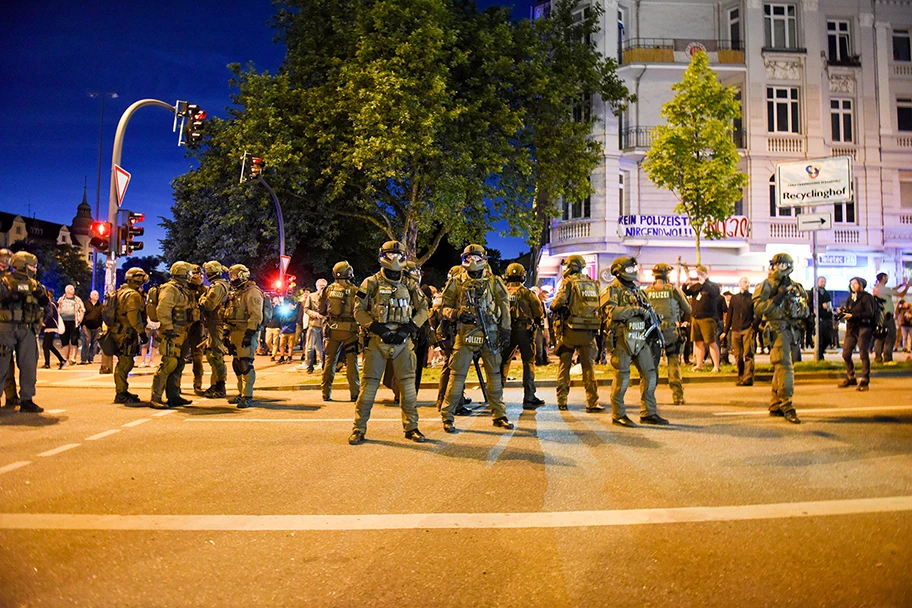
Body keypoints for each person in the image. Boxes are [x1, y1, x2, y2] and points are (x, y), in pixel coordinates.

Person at [349, 241, 429, 444]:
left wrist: (408, 329)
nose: (394, 259)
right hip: (377, 340)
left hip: (403, 340)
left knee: (408, 389)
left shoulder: (410, 283)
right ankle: (358, 429)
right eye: (390, 255)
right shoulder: (371, 282)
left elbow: (423, 309)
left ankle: (412, 428)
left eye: (398, 255)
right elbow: (358, 310)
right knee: (368, 389)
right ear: (382, 256)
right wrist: (378, 328)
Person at [439, 244, 514, 433]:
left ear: (484, 259)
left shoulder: (494, 281)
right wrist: (456, 314)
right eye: (469, 258)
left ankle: (499, 415)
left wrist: (505, 330)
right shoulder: (456, 282)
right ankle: (447, 416)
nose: (473, 262)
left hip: (490, 332)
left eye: (476, 258)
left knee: (494, 377)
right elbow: (443, 308)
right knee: (456, 377)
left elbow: (504, 307)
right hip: (465, 333)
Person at [601, 256, 667, 427]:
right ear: (618, 271)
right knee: (622, 377)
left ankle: (649, 412)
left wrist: (654, 318)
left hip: (640, 337)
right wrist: (635, 310)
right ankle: (618, 414)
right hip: (622, 338)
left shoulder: (638, 291)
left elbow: (647, 311)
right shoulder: (612, 290)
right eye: (629, 270)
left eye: (633, 269)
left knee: (650, 373)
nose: (633, 272)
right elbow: (612, 312)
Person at [752, 253, 808, 424]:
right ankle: (787, 404)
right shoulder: (766, 285)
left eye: (783, 265)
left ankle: (776, 403)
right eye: (778, 265)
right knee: (785, 367)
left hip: (793, 330)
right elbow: (758, 308)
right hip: (777, 329)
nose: (780, 268)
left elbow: (804, 309)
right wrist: (777, 299)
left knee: (782, 367)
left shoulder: (795, 286)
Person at [551, 255, 605, 413]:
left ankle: (562, 401)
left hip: (570, 330)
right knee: (589, 368)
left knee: (564, 366)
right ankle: (592, 402)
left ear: (570, 267)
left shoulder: (568, 282)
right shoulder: (593, 283)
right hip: (589, 331)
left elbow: (556, 304)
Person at [0, 251, 50, 413]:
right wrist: (9, 296)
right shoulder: (4, 282)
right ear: (21, 266)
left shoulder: (35, 285)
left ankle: (27, 399)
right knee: (1, 365)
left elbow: (47, 307)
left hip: (27, 328)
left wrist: (41, 298)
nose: (34, 269)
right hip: (5, 327)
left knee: (29, 365)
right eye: (31, 266)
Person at [150, 262, 196, 409]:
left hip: (183, 332)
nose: (191, 276)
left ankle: (174, 396)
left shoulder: (183, 289)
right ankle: (156, 397)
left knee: (179, 364)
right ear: (183, 273)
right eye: (189, 273)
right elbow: (163, 309)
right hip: (173, 331)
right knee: (168, 364)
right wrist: (168, 327)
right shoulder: (170, 288)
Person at [645, 263, 692, 404]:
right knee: (673, 362)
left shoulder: (647, 291)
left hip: (653, 331)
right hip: (671, 331)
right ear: (667, 276)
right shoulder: (673, 290)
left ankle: (649, 397)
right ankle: (678, 396)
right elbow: (688, 309)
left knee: (652, 365)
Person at [501, 262, 545, 409]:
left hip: (506, 332)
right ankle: (529, 396)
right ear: (523, 276)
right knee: (528, 364)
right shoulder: (528, 293)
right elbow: (539, 313)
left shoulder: (502, 292)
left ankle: (495, 396)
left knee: (502, 363)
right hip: (525, 332)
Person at [318, 261, 360, 402]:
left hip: (332, 330)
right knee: (351, 363)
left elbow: (322, 310)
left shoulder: (328, 290)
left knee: (329, 362)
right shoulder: (354, 290)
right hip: (350, 332)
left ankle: (326, 393)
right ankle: (355, 394)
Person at [224, 264, 264, 408]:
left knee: (245, 364)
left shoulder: (252, 292)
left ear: (242, 275)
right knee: (236, 364)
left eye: (234, 276)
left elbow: (256, 314)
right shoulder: (237, 292)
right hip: (234, 332)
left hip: (246, 331)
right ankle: (241, 393)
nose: (232, 279)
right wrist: (226, 331)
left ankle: (248, 395)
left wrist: (250, 333)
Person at [433, 265, 472, 415]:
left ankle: (451, 399)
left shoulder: (447, 292)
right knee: (453, 369)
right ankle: (454, 404)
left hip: (447, 334)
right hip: (449, 334)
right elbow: (444, 313)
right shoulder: (450, 293)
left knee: (451, 368)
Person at [111, 268, 149, 404]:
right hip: (127, 332)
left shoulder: (120, 291)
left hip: (119, 331)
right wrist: (141, 332)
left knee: (124, 361)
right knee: (125, 362)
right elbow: (133, 316)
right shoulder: (132, 295)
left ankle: (122, 391)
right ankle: (121, 393)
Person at [837, 277, 876, 391]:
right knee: (846, 353)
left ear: (861, 285)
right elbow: (850, 310)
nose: (852, 285)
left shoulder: (867, 297)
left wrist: (853, 315)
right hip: (852, 328)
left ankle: (865, 380)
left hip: (864, 327)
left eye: (855, 283)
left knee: (863, 353)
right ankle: (851, 376)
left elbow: (869, 313)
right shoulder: (851, 297)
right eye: (851, 284)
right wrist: (843, 311)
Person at [682, 265, 723, 372]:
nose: (698, 276)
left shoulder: (713, 285)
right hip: (696, 317)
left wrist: (704, 283)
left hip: (708, 318)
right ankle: (699, 365)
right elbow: (686, 293)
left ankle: (716, 366)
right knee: (698, 342)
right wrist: (685, 285)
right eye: (697, 274)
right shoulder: (696, 286)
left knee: (711, 342)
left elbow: (715, 294)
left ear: (706, 274)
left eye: (701, 274)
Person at [199, 261, 230, 398]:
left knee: (216, 356)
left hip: (217, 323)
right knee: (213, 355)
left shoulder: (217, 286)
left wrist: (201, 298)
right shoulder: (220, 284)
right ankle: (215, 385)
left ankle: (220, 386)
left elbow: (208, 305)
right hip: (215, 323)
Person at [721, 277, 755, 386]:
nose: (747, 284)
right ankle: (741, 376)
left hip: (747, 329)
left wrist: (753, 325)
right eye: (745, 282)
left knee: (748, 353)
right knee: (738, 355)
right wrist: (725, 331)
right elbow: (730, 314)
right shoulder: (735, 299)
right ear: (740, 284)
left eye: (748, 282)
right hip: (735, 329)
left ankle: (748, 377)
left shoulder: (752, 298)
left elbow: (757, 313)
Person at [872, 273, 909, 363]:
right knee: (890, 337)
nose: (887, 279)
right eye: (887, 277)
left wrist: (900, 285)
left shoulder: (877, 288)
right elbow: (900, 294)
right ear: (883, 278)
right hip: (887, 316)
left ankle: (878, 358)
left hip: (880, 316)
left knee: (880, 337)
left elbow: (892, 290)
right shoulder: (884, 289)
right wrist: (907, 287)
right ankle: (887, 358)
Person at [0, 248, 20, 408]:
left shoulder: (11, 280)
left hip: (7, 326)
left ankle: (11, 396)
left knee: (7, 362)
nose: (4, 266)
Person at [186, 264, 207, 396]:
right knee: (176, 358)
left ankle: (197, 384)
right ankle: (174, 387)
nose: (196, 277)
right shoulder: (181, 289)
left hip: (198, 327)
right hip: (183, 326)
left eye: (198, 274)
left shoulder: (205, 289)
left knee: (198, 358)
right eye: (194, 274)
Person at [299, 279, 327, 373]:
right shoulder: (311, 296)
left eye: (324, 286)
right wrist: (315, 314)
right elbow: (306, 309)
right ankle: (310, 366)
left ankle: (323, 365)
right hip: (314, 324)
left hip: (324, 324)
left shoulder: (328, 297)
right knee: (310, 346)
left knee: (322, 347)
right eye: (321, 286)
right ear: (317, 286)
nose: (322, 288)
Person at [57, 284, 85, 366]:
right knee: (64, 340)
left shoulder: (77, 299)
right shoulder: (61, 299)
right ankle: (65, 358)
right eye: (71, 289)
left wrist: (80, 319)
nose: (73, 290)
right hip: (63, 321)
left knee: (74, 340)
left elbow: (82, 309)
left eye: (73, 289)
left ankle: (73, 358)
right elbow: (58, 308)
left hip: (73, 322)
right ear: (67, 290)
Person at [41, 289, 66, 370]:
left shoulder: (50, 305)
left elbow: (50, 314)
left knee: (46, 345)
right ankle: (61, 360)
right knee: (49, 345)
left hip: (50, 326)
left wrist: (44, 322)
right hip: (51, 326)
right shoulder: (52, 304)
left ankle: (48, 363)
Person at [79, 290, 103, 364]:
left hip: (97, 327)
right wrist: (82, 324)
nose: (97, 296)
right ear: (91, 296)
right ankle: (83, 359)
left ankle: (91, 358)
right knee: (86, 342)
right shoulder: (86, 304)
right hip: (86, 326)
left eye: (97, 295)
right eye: (95, 294)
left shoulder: (101, 306)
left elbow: (102, 316)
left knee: (94, 344)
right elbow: (82, 313)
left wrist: (100, 326)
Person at [815, 276, 834, 360]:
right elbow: (811, 305)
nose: (823, 283)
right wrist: (821, 306)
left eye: (824, 281)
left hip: (827, 318)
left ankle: (821, 352)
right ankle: (819, 356)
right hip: (818, 319)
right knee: (820, 339)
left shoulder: (826, 293)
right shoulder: (814, 292)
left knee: (827, 338)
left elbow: (829, 304)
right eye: (821, 281)